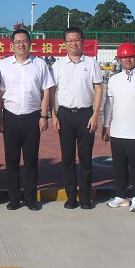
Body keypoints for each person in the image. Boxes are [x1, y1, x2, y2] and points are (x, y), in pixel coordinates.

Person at [0, 29, 55, 211]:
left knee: (31, 160)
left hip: (32, 117)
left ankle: (30, 198)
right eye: (18, 41)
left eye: (24, 41)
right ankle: (14, 198)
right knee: (11, 160)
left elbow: (46, 91)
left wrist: (44, 116)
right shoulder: (4, 65)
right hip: (11, 116)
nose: (21, 44)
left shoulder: (40, 64)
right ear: (12, 45)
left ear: (30, 43)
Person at [51, 27, 103, 210]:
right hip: (64, 115)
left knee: (86, 158)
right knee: (67, 159)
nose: (73, 43)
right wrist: (53, 115)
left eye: (77, 39)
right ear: (65, 43)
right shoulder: (58, 65)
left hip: (85, 115)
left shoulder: (92, 63)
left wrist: (95, 115)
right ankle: (71, 196)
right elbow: (51, 91)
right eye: (70, 40)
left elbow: (98, 89)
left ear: (82, 41)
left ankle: (86, 197)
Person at [102, 42, 135, 213]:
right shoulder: (113, 80)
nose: (128, 60)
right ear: (118, 59)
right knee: (119, 166)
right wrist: (105, 125)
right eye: (124, 57)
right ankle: (121, 196)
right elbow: (108, 105)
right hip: (117, 131)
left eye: (131, 56)